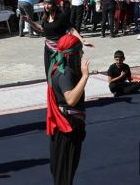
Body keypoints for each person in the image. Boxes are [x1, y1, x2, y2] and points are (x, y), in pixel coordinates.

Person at [46, 34, 89, 185]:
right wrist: (85, 76)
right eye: (80, 51)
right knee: (65, 173)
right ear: (73, 54)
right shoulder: (66, 73)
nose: (82, 54)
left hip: (65, 125)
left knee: (62, 172)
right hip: (68, 127)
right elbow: (71, 99)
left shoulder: (59, 68)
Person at [23, 0, 92, 79]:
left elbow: (71, 29)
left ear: (54, 5)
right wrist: (29, 21)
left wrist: (82, 41)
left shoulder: (61, 16)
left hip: (60, 49)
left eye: (49, 4)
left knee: (61, 72)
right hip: (48, 50)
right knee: (49, 73)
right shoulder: (45, 17)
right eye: (45, 4)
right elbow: (41, 28)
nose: (46, 6)